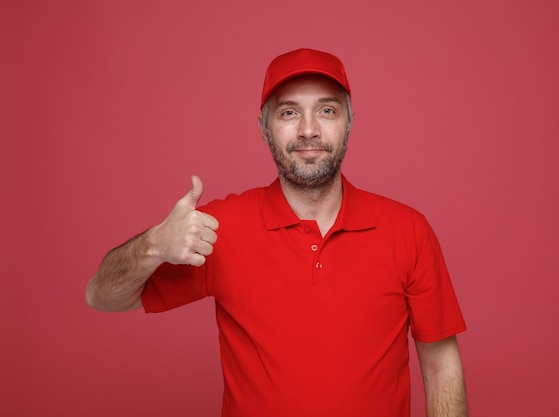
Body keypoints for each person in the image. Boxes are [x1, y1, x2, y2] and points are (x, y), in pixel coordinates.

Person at [86, 48, 468, 417]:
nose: (308, 129)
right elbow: (101, 296)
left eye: (327, 110)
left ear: (348, 122)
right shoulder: (220, 228)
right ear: (263, 126)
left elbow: (440, 368)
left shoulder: (408, 230)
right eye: (289, 112)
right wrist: (153, 245)